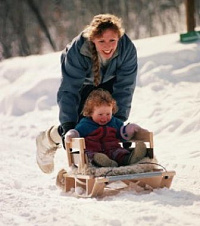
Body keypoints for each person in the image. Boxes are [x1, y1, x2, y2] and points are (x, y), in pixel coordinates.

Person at [36, 14, 138, 173]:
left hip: (109, 80)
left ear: (119, 37)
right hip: (81, 83)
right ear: (93, 39)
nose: (107, 46)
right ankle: (47, 140)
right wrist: (68, 125)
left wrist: (118, 124)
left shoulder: (127, 49)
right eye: (101, 41)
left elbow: (125, 87)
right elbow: (69, 90)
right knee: (79, 126)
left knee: (103, 119)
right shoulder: (79, 50)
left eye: (112, 40)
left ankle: (108, 156)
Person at [65, 89, 147, 167]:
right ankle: (103, 162)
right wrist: (71, 134)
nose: (104, 118)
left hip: (112, 149)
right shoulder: (86, 124)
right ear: (90, 113)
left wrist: (131, 128)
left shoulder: (114, 122)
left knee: (120, 153)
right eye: (100, 115)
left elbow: (121, 133)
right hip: (94, 151)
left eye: (108, 114)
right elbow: (77, 132)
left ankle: (130, 159)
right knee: (92, 156)